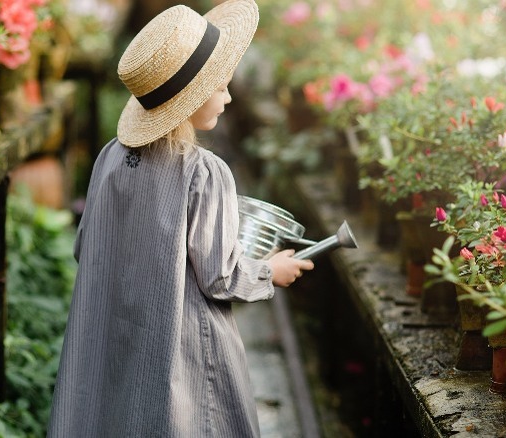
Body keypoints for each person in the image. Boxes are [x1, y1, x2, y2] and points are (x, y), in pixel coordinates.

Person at [47, 0, 314, 435]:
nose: (228, 97)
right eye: (221, 86)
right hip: (183, 346)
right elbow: (219, 277)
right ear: (188, 99)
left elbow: (85, 247)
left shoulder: (109, 158)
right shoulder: (204, 172)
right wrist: (270, 270)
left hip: (113, 334)